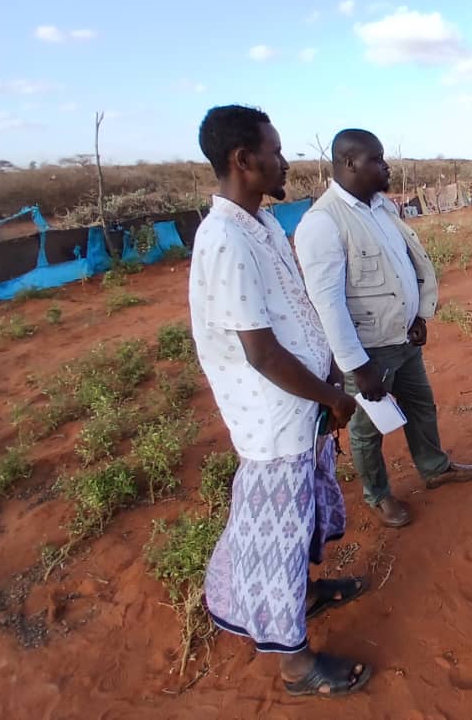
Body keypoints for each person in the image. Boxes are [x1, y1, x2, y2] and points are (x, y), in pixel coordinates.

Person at [191, 105, 371, 698]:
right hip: (272, 422)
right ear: (244, 160)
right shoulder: (224, 238)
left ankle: (306, 593)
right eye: (274, 150)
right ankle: (295, 668)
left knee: (294, 529)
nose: (284, 160)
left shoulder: (259, 224)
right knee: (275, 539)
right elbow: (262, 353)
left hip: (299, 411)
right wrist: (332, 397)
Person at [294, 129, 472, 529]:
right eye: (377, 159)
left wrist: (419, 316)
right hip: (368, 352)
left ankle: (434, 468)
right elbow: (327, 305)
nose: (386, 166)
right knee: (366, 430)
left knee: (421, 407)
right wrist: (357, 367)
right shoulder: (323, 223)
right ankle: (377, 495)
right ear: (348, 163)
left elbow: (406, 267)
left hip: (403, 340)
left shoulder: (381, 208)